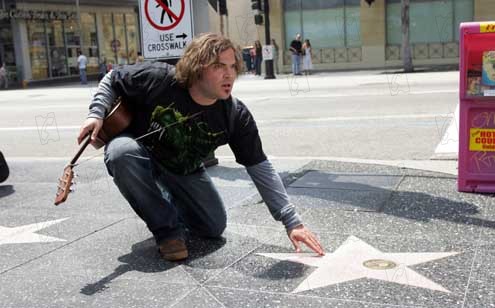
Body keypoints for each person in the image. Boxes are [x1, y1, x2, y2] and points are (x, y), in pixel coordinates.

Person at [77, 33, 325, 262]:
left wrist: (292, 222)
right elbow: (112, 78)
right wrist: (96, 114)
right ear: (197, 68)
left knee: (213, 227)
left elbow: (259, 167)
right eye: (219, 66)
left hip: (184, 169)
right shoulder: (160, 78)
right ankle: (166, 230)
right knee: (120, 152)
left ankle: (162, 199)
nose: (229, 75)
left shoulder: (235, 115)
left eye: (232, 67)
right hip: (139, 155)